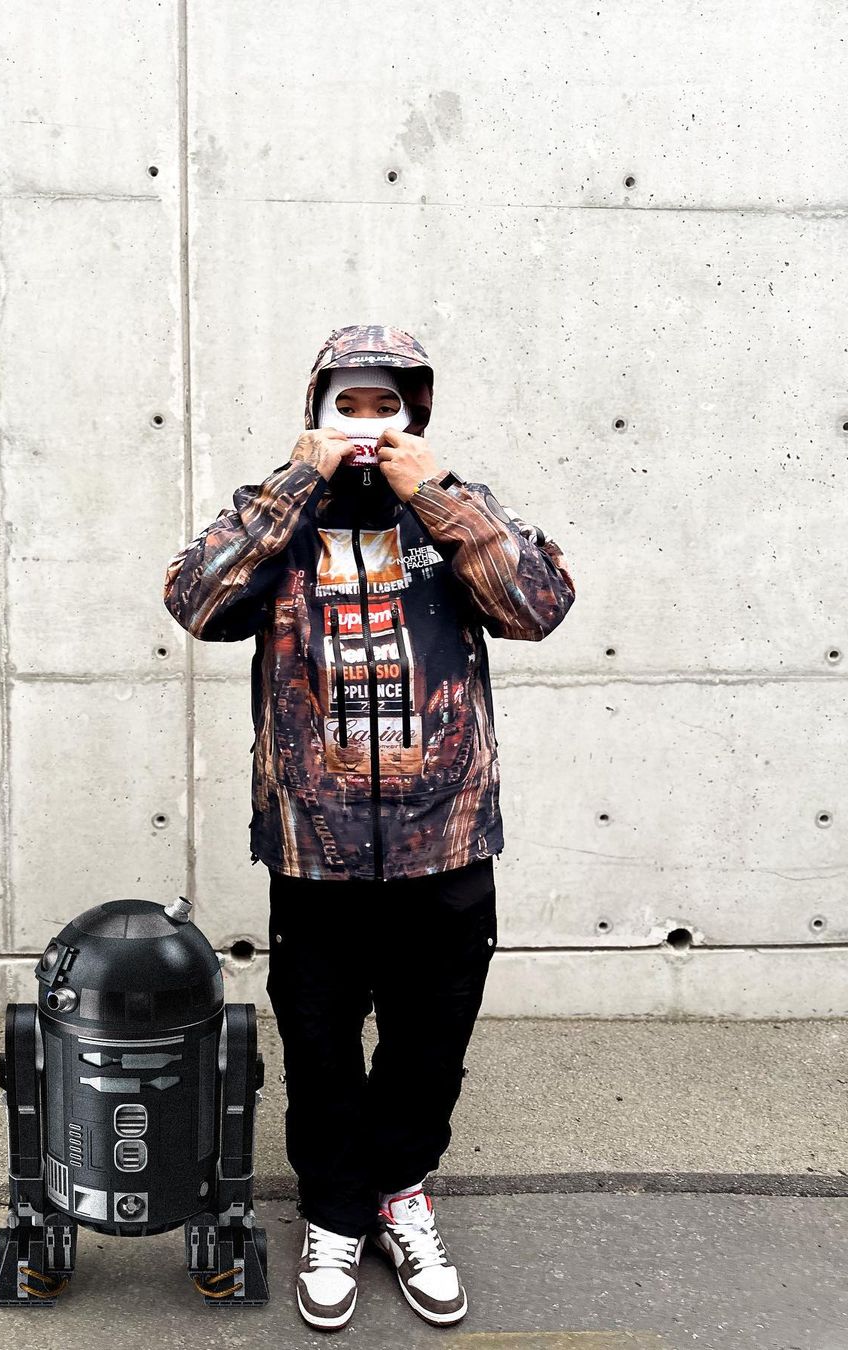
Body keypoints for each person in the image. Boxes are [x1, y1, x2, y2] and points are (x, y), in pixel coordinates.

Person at [163, 323, 576, 1331]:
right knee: (319, 1045)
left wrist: (440, 495)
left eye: (383, 404)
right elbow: (196, 600)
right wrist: (293, 485)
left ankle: (400, 1194)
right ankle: (335, 1214)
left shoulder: (454, 511)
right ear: (315, 411)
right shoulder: (278, 515)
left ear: (414, 414)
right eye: (344, 405)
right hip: (317, 850)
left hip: (449, 843)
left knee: (430, 1047)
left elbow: (536, 605)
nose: (364, 424)